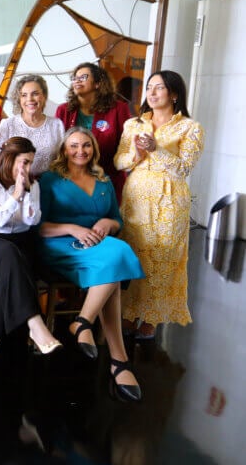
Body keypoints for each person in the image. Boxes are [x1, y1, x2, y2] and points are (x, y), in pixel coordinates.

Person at [39, 127, 144, 402]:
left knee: (118, 251)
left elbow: (115, 220)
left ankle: (83, 322)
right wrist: (73, 229)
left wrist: (108, 223)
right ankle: (119, 360)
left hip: (97, 243)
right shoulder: (50, 180)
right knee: (115, 263)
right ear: (64, 150)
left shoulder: (104, 180)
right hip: (61, 244)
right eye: (73, 146)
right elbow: (38, 226)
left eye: (86, 146)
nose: (80, 151)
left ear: (93, 150)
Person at [116, 70, 204, 338]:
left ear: (174, 94)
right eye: (149, 88)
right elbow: (119, 162)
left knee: (163, 258)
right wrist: (137, 152)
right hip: (136, 200)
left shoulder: (190, 128)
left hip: (170, 201)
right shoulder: (133, 124)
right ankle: (129, 314)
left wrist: (158, 150)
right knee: (135, 254)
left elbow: (184, 168)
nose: (152, 94)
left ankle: (152, 318)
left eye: (159, 88)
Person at [0, 136, 62, 357]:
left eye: (30, 162)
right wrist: (15, 196)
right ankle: (35, 324)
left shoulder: (34, 185)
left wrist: (27, 193)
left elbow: (32, 221)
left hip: (22, 242)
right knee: (9, 255)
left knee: (11, 265)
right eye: (24, 162)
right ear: (8, 159)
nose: (28, 168)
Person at [55, 62, 131, 199]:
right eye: (74, 78)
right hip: (71, 180)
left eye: (83, 77)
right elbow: (58, 147)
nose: (77, 81)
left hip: (109, 179)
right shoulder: (63, 110)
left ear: (97, 83)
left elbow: (126, 147)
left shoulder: (118, 109)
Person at [0, 74, 63, 178]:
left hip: (48, 186)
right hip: (14, 186)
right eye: (24, 95)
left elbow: (62, 160)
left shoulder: (57, 125)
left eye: (35, 94)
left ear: (44, 96)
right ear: (19, 99)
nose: (30, 99)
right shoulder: (7, 124)